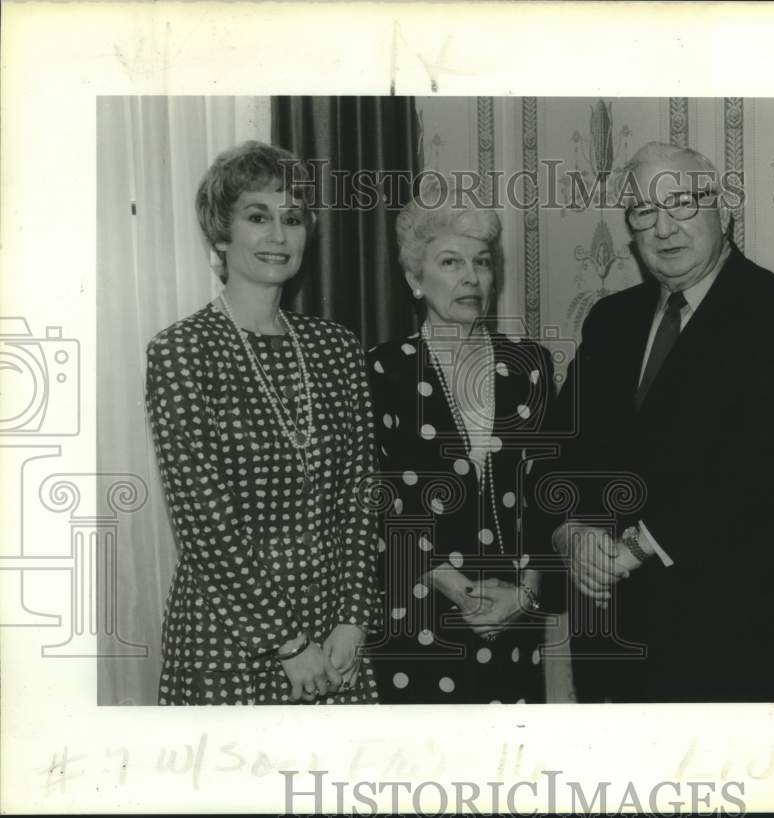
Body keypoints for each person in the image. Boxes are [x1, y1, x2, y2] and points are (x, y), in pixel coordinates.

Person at [552, 142, 774, 702]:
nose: (664, 228)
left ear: (722, 208)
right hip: (619, 648)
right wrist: (570, 533)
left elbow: (765, 472)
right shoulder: (611, 321)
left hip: (742, 643)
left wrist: (631, 549)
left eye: (681, 203)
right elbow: (563, 448)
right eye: (644, 212)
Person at [145, 141, 380, 705]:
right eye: (258, 216)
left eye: (292, 218)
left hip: (334, 631)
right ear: (221, 235)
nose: (279, 234)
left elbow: (361, 491)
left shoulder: (336, 347)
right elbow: (203, 520)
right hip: (230, 632)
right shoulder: (182, 350)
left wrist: (352, 619)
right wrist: (286, 642)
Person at [365, 178, 557, 704]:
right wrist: (448, 582)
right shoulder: (382, 370)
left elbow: (550, 493)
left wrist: (527, 590)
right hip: (419, 609)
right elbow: (375, 501)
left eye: (483, 261)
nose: (472, 278)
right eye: (451, 262)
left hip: (513, 612)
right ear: (414, 277)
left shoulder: (530, 366)